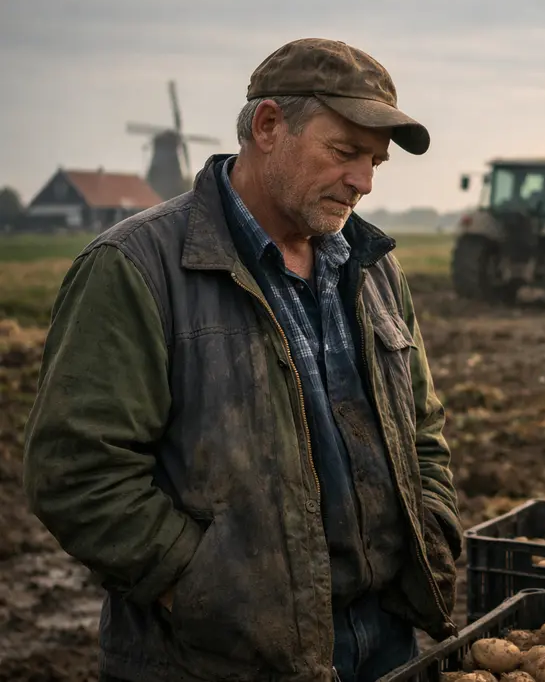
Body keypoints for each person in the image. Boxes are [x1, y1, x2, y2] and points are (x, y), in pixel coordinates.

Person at [22, 38, 461, 682]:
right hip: (215, 659)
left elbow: (421, 426)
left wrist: (435, 525)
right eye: (344, 152)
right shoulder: (134, 267)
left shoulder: (372, 268)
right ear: (268, 126)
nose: (364, 182)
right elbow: (78, 472)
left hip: (385, 643)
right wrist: (204, 590)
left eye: (374, 162)